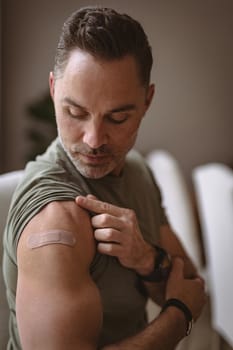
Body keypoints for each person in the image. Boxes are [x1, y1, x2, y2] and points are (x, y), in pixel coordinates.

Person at [3, 6, 206, 350]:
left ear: (147, 101)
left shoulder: (137, 170)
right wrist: (178, 317)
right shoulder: (55, 221)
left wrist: (146, 259)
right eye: (76, 112)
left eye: (118, 117)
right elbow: (187, 301)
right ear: (54, 89)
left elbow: (188, 283)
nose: (94, 140)